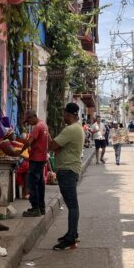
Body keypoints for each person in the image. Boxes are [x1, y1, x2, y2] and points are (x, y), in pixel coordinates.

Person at [49, 102, 84, 250]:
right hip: (70, 169)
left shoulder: (70, 130)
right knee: (72, 205)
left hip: (68, 170)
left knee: (72, 205)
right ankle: (72, 233)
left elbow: (52, 146)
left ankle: (71, 237)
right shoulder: (77, 128)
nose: (63, 116)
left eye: (64, 113)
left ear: (68, 114)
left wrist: (50, 139)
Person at [21, 110, 49, 217]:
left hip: (36, 159)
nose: (29, 124)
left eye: (28, 121)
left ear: (33, 117)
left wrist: (19, 151)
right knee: (40, 184)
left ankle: (35, 208)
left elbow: (29, 142)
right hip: (42, 158)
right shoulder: (44, 125)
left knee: (32, 184)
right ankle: (41, 208)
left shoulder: (37, 127)